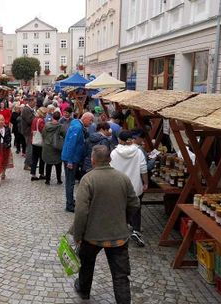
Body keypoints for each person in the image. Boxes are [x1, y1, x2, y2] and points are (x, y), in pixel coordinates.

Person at [71, 145, 139, 302]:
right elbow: (134, 203)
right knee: (121, 275)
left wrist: (78, 235)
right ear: (110, 159)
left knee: (86, 265)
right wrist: (124, 219)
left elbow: (81, 212)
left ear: (93, 160)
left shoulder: (88, 179)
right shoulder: (123, 178)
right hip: (118, 236)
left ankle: (84, 291)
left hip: (92, 236)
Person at [110, 130, 148, 247]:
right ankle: (136, 230)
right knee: (136, 209)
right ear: (131, 139)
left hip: (119, 186)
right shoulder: (138, 152)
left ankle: (121, 231)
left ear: (120, 140)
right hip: (135, 186)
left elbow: (110, 170)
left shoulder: (114, 153)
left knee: (120, 209)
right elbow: (143, 169)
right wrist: (145, 182)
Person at [61, 112, 94, 212]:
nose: (91, 123)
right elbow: (71, 144)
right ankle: (69, 204)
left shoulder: (77, 125)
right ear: (85, 118)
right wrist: (70, 161)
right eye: (90, 120)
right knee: (70, 182)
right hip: (71, 158)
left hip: (72, 157)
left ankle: (71, 201)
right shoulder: (77, 128)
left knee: (70, 182)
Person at [42, 111, 65, 185]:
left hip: (47, 146)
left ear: (52, 117)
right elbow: (64, 135)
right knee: (58, 164)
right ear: (59, 117)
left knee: (48, 164)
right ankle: (59, 179)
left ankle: (47, 180)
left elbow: (43, 134)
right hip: (56, 146)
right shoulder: (60, 126)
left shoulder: (46, 125)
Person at [30, 107, 47, 181]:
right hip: (40, 143)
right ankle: (41, 173)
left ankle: (33, 174)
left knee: (34, 158)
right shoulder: (41, 121)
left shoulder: (34, 119)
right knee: (42, 159)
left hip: (34, 141)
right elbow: (43, 132)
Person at [20, 98, 36, 171]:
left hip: (29, 131)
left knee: (31, 148)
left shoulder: (29, 109)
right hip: (27, 131)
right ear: (30, 102)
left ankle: (30, 163)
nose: (35, 104)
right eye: (34, 102)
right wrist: (36, 117)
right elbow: (30, 120)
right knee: (29, 148)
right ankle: (27, 164)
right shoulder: (26, 109)